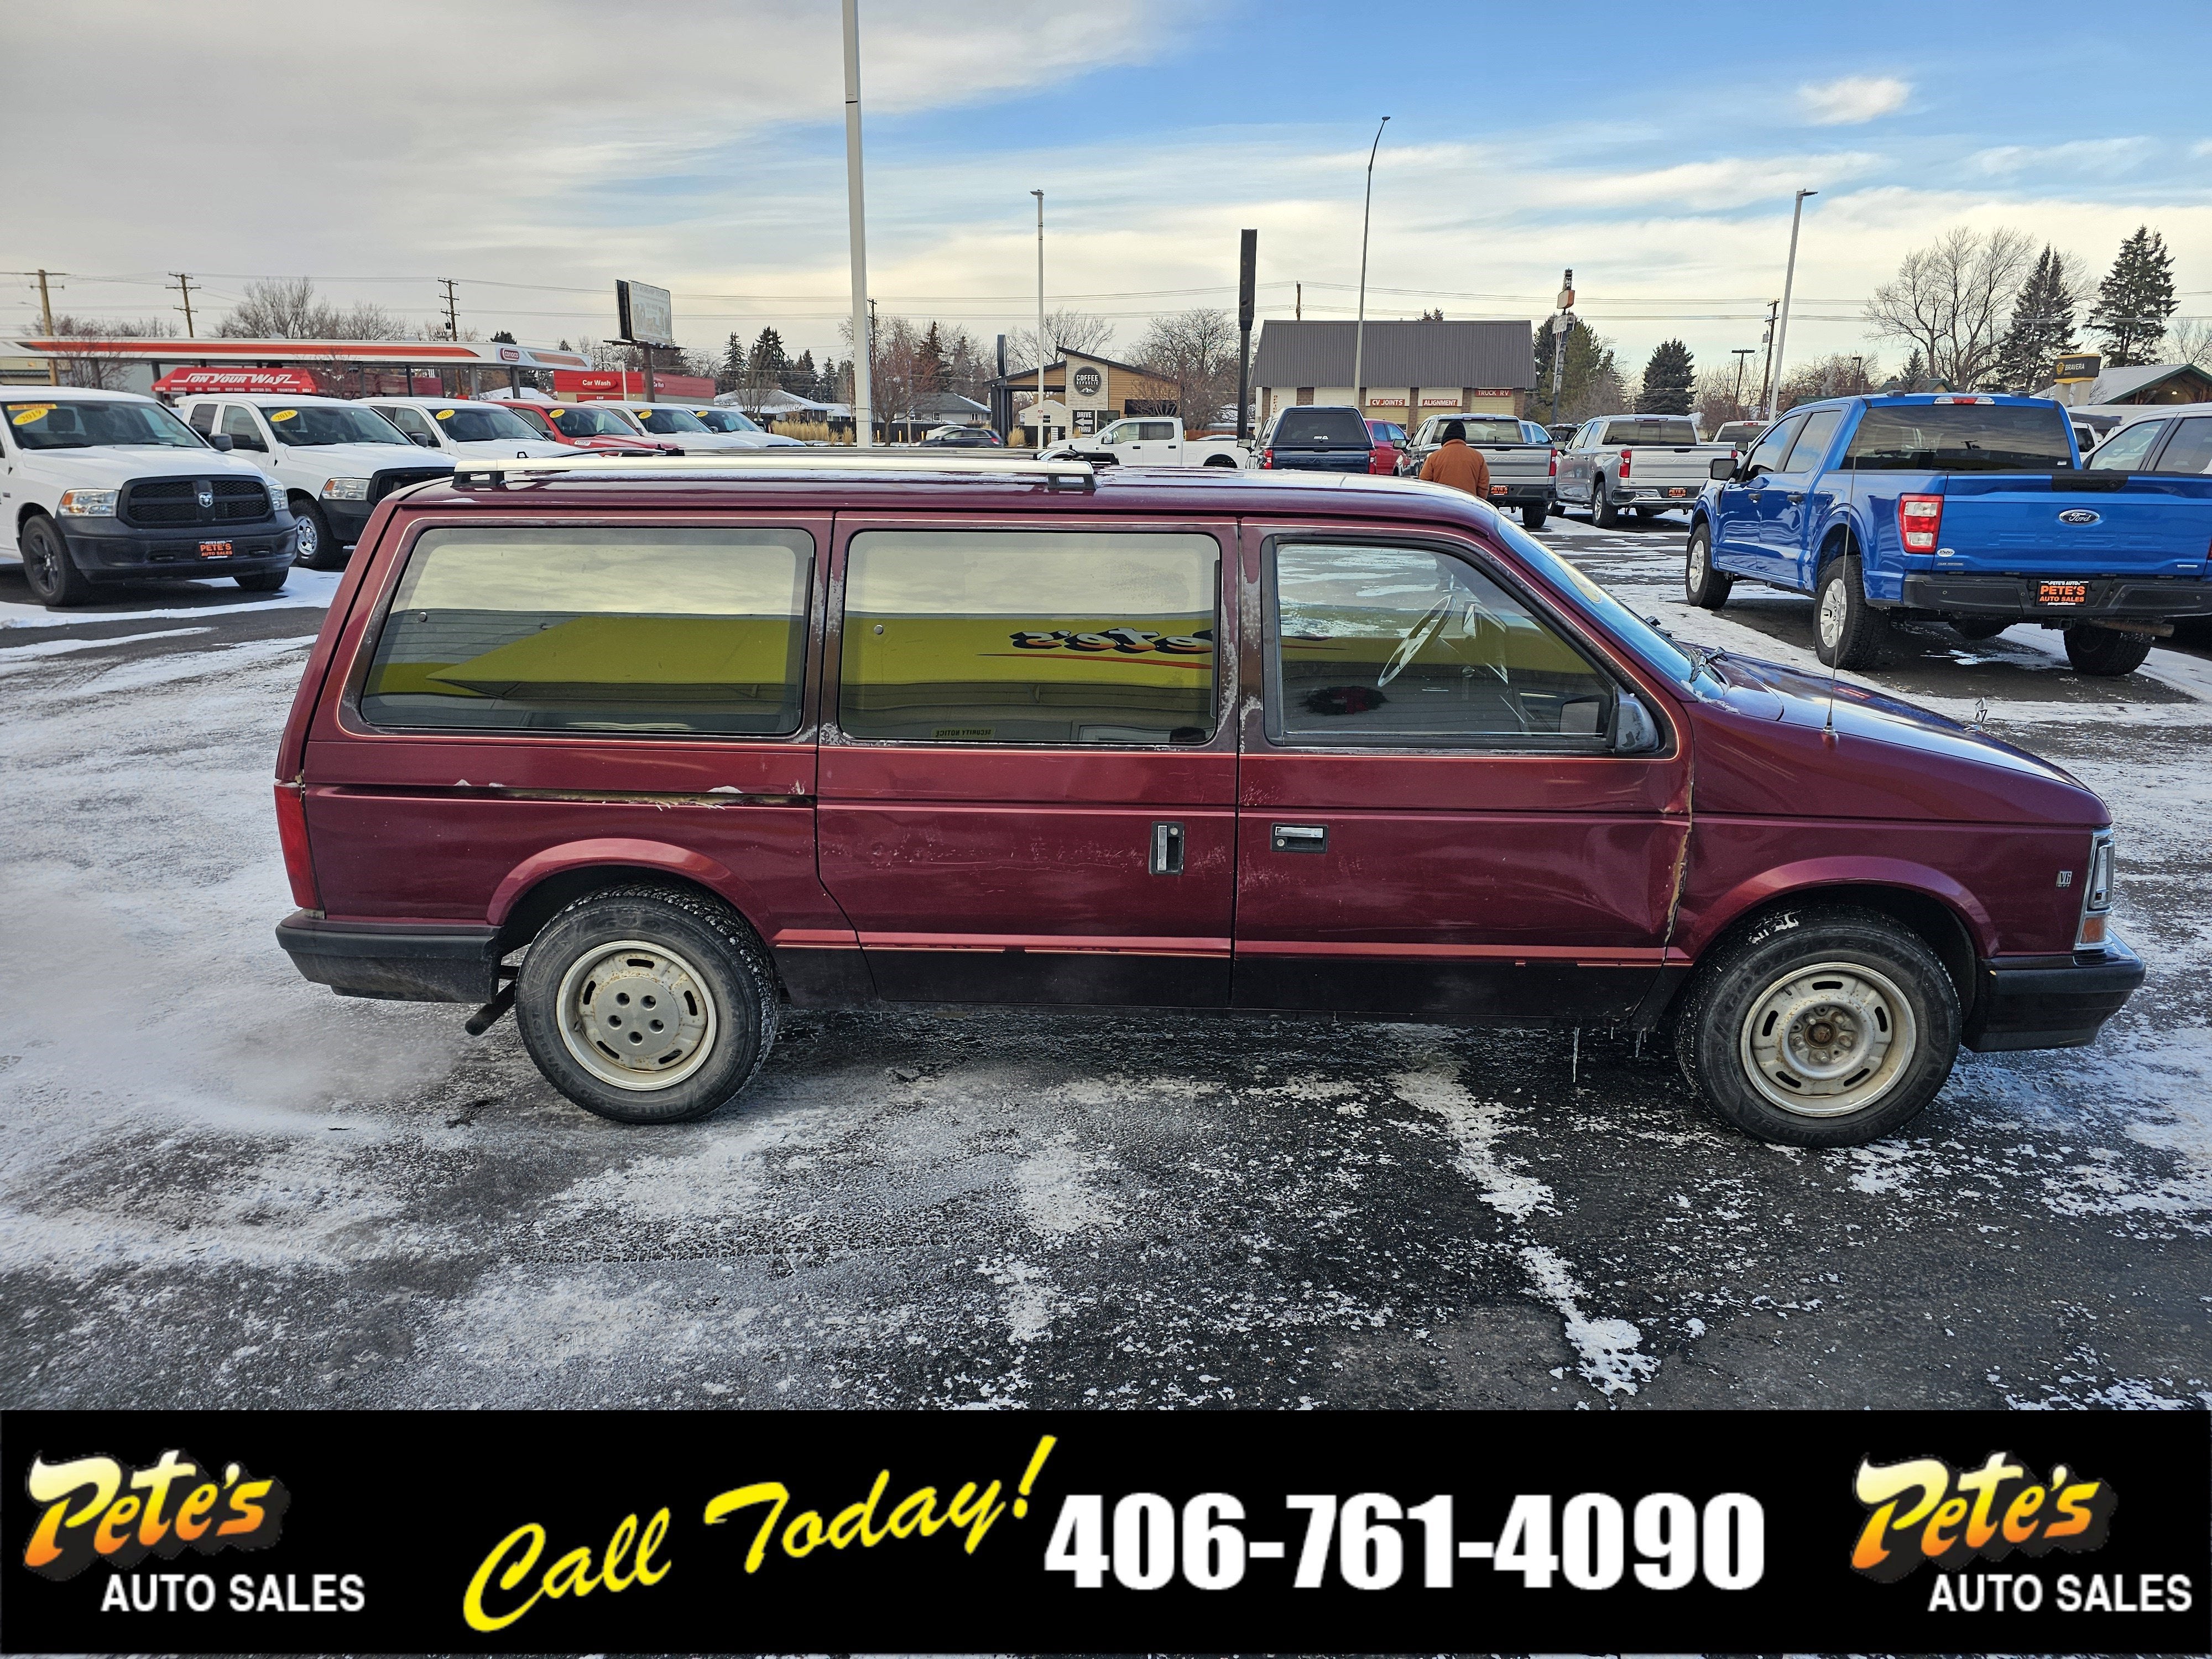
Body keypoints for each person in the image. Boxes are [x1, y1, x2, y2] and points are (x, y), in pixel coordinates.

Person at [1417, 419, 1493, 499]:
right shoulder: (1478, 457)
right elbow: (1483, 485)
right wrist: (1480, 501)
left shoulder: (1434, 457)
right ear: (1463, 437)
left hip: (1442, 503)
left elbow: (1425, 483)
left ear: (1445, 438)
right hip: (1469, 504)